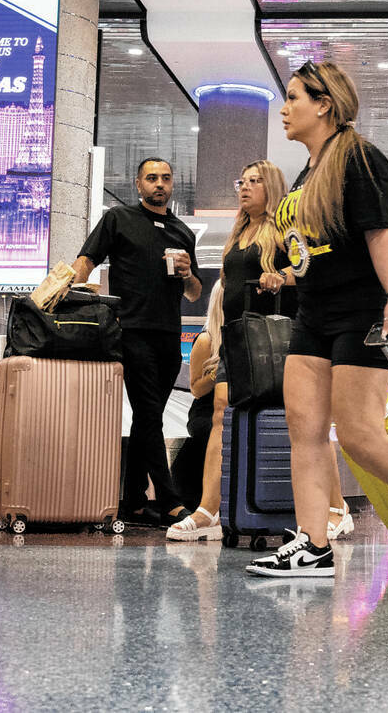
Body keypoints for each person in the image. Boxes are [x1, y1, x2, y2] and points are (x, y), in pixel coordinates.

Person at [247, 60, 388, 580]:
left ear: (324, 104)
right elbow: (322, 248)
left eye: (295, 97)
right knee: (304, 430)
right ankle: (312, 544)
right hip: (314, 313)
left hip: (362, 310)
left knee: (360, 433)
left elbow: (380, 232)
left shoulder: (360, 159)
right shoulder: (310, 169)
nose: (285, 108)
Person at [73, 157, 202, 527]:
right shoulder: (119, 219)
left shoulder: (182, 232)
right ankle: (170, 500)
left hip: (169, 337)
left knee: (150, 418)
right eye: (151, 178)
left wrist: (189, 274)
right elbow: (87, 258)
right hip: (131, 331)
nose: (158, 184)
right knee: (148, 414)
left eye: (164, 178)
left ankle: (133, 501)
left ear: (172, 183)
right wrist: (72, 291)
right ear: (138, 183)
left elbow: (193, 293)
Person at [167, 281, 226, 537]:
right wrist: (220, 369)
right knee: (210, 430)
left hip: (229, 409)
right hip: (206, 411)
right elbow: (196, 389)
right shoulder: (205, 340)